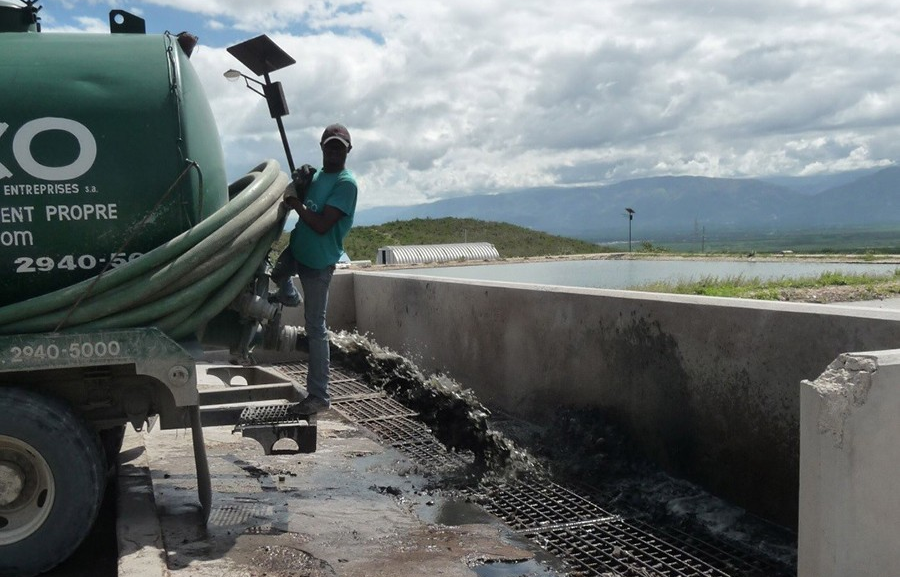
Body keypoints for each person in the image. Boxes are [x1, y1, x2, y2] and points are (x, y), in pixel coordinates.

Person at [271, 123, 358, 414]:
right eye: (329, 146)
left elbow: (321, 225)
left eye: (339, 147)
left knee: (315, 329)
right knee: (277, 274)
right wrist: (301, 183)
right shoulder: (317, 176)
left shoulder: (346, 184)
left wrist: (295, 202)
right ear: (322, 147)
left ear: (347, 151)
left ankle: (319, 396)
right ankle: (290, 296)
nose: (334, 151)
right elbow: (299, 194)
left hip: (319, 263)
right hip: (297, 250)